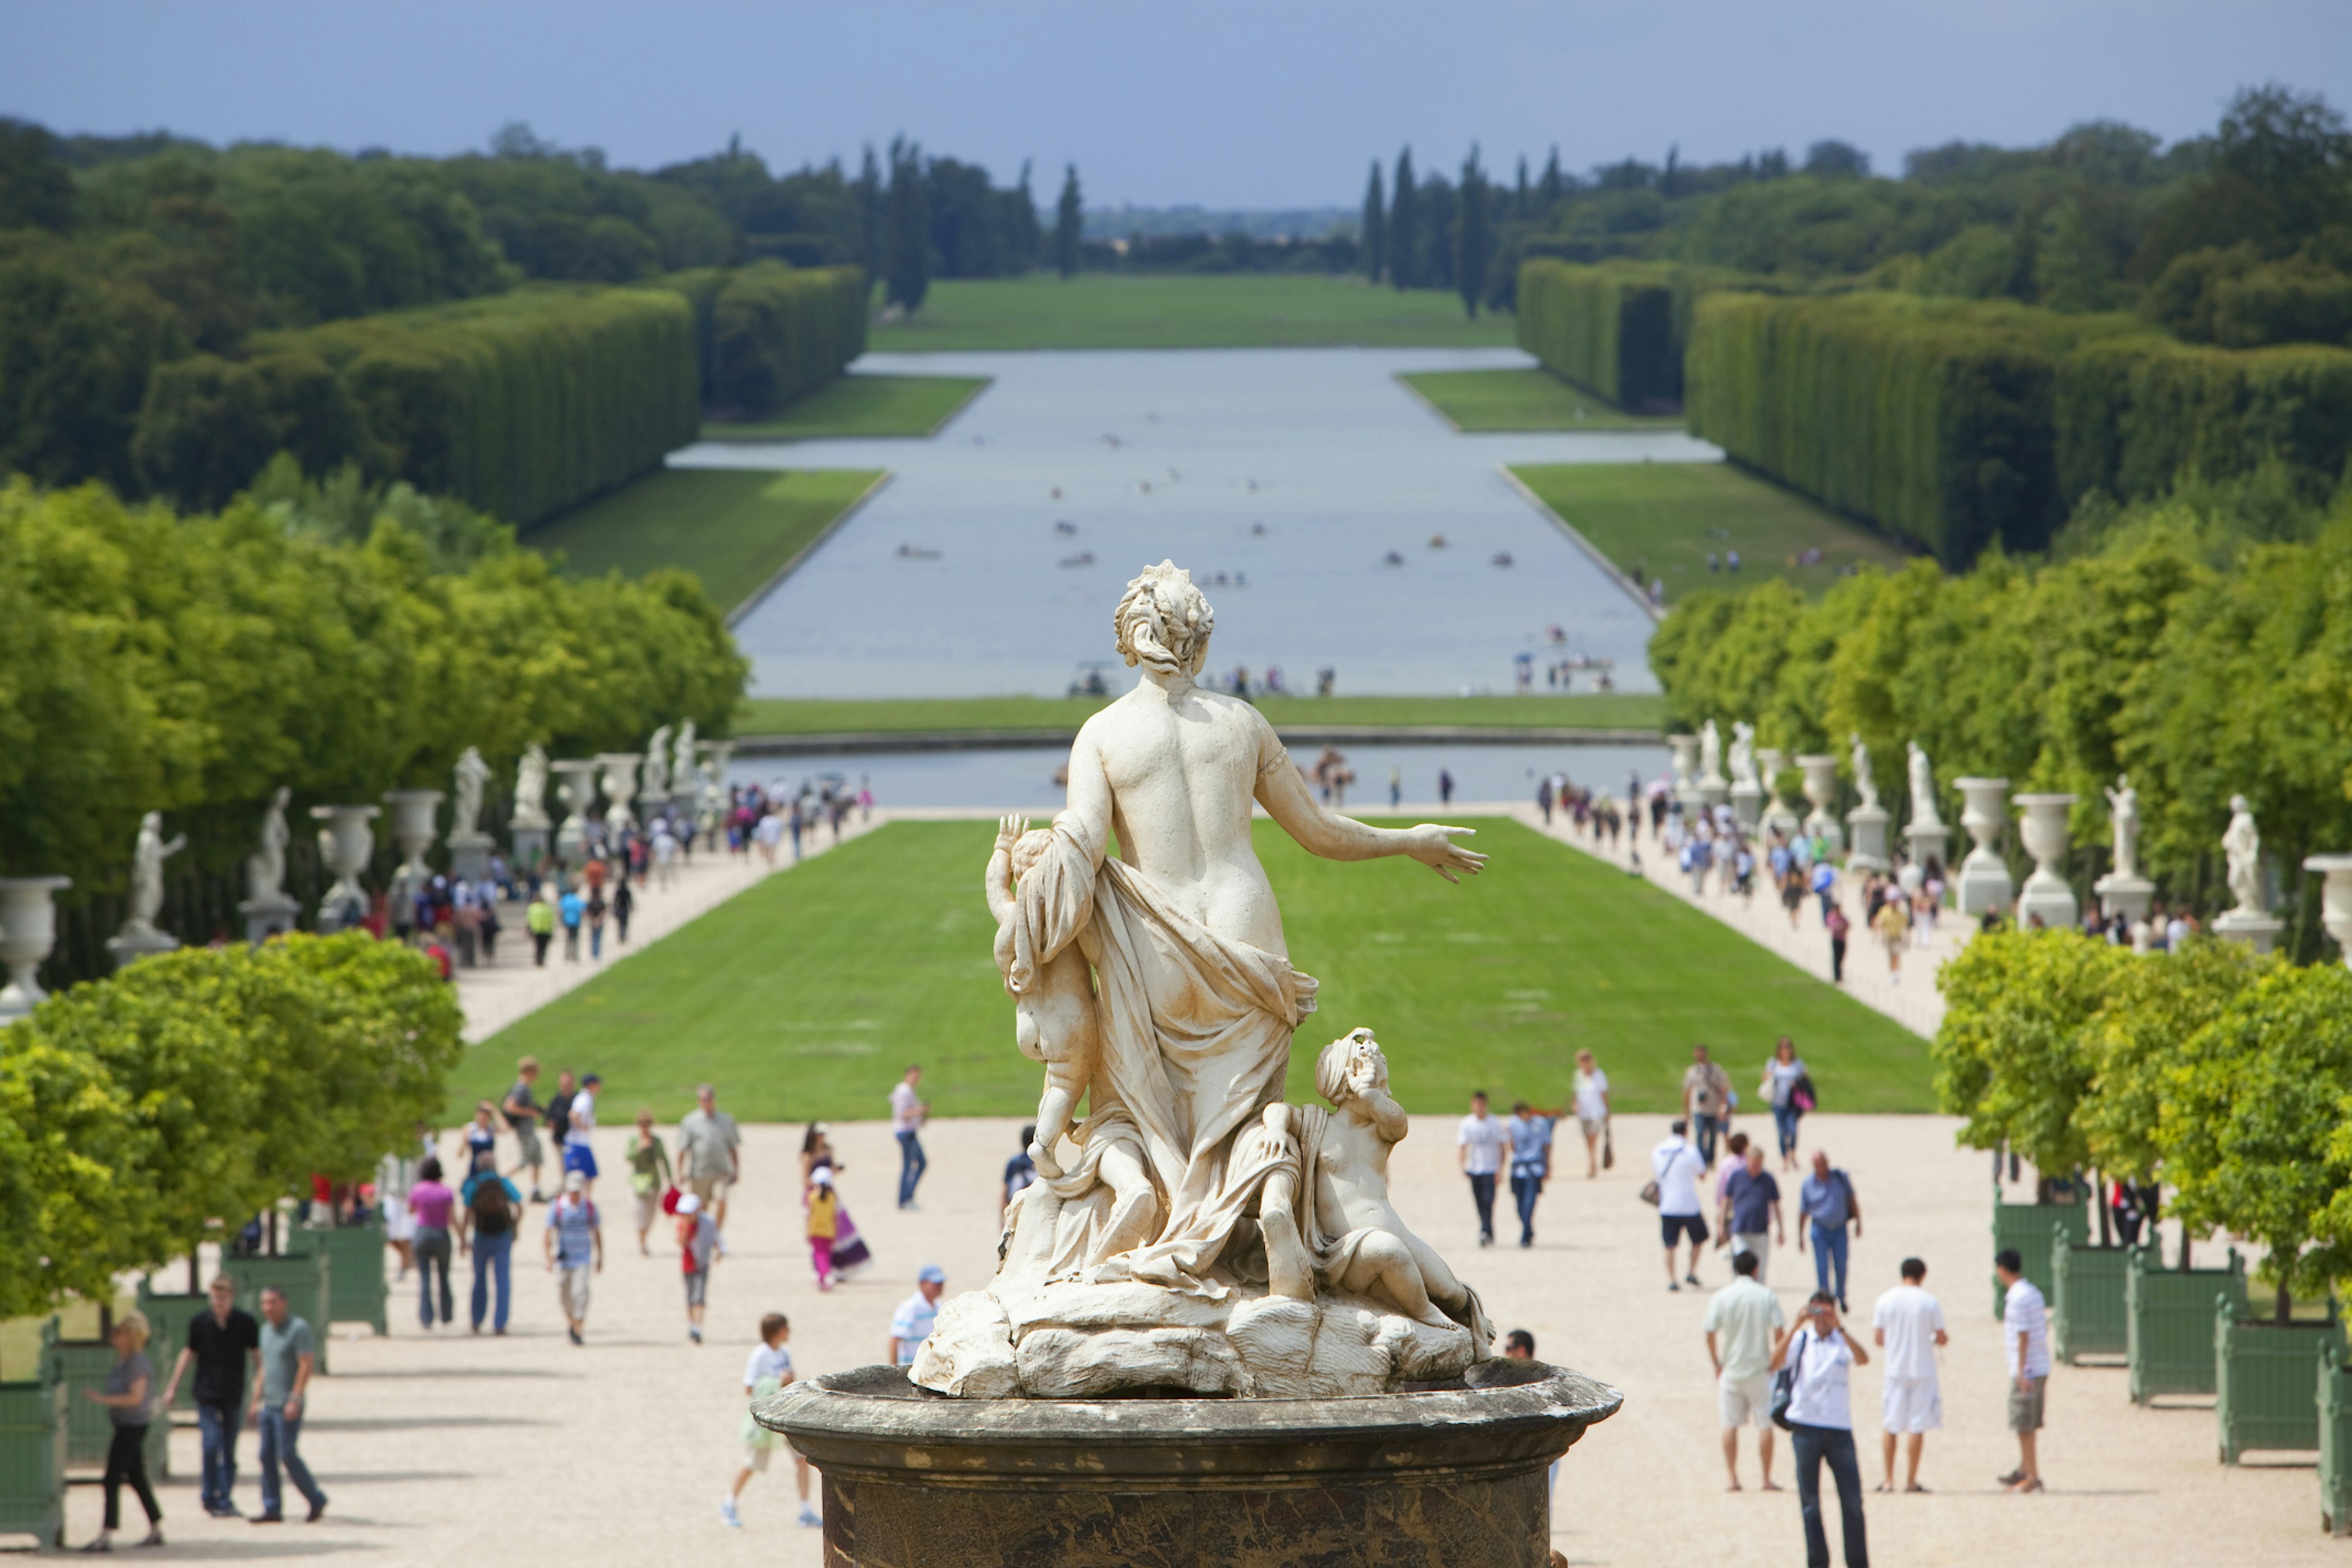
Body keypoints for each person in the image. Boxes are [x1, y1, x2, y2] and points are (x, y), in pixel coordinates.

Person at [1773, 1291, 1870, 1568]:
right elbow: (1774, 1362)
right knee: (1810, 1502)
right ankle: (1817, 1563)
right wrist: (1795, 1326)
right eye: (1817, 1312)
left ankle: (1858, 1563)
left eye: (1825, 1312)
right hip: (1806, 1427)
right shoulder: (1801, 1341)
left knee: (1852, 1502)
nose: (1821, 1319)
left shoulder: (1842, 1341)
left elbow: (1863, 1359)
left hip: (1839, 1428)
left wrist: (1840, 1326)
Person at [159, 1274, 260, 1518]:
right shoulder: (200, 1322)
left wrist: (258, 1394)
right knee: (210, 1443)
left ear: (232, 1298)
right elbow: (188, 1353)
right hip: (206, 1391)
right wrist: (172, 1387)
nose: (218, 1303)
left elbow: (258, 1358)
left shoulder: (245, 1323)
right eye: (215, 1298)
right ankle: (209, 1495)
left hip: (233, 1392)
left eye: (223, 1298)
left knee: (229, 1448)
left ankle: (224, 1497)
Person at [723, 1313, 819, 1530]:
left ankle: (805, 1510)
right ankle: (730, 1503)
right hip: (764, 1419)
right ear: (778, 1331)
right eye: (786, 1328)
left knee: (801, 1459)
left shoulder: (785, 1352)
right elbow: (749, 1387)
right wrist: (776, 1382)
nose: (789, 1332)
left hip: (785, 1415)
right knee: (752, 1463)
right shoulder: (759, 1355)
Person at [80, 1308, 163, 1550]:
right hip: (124, 1424)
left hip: (133, 1426)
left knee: (111, 1477)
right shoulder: (122, 1361)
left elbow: (136, 1398)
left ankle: (106, 1533)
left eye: (120, 1332)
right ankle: (156, 1526)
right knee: (136, 1477)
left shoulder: (138, 1364)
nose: (114, 1335)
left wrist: (102, 1400)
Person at [1703, 1250, 1785, 1493]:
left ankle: (1732, 1478)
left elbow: (1709, 1332)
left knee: (1729, 1424)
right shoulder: (1766, 1295)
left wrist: (1716, 1363)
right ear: (1756, 1268)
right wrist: (1776, 1359)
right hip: (1761, 1369)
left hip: (1731, 1369)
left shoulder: (1722, 1296)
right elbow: (1780, 1331)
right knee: (1765, 1425)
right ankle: (1766, 1478)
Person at [249, 1286, 326, 1524]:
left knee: (287, 1454)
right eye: (264, 1303)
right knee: (265, 1455)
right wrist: (255, 1400)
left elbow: (306, 1364)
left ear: (284, 1302)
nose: (268, 1308)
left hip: (287, 1404)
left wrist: (296, 1397)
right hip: (269, 1404)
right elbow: (264, 1368)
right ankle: (272, 1507)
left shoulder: (298, 1328)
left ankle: (315, 1498)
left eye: (272, 1302)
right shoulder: (264, 1331)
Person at [1872, 1257, 1948, 1493]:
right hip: (1923, 1369)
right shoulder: (1929, 1301)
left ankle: (1887, 1480)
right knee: (1917, 1426)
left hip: (1895, 1369)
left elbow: (1878, 1339)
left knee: (1891, 1424)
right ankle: (1911, 1480)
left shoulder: (1885, 1299)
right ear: (1923, 1275)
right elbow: (1942, 1337)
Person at [1996, 1248, 2049, 1493]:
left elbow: (2023, 1336)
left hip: (2028, 1368)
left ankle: (2032, 1476)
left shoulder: (2017, 1298)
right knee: (2028, 1421)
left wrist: (2021, 1371)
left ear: (2001, 1269)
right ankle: (2024, 1468)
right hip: (2039, 1364)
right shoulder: (2033, 1292)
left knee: (2023, 1424)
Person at [458, 1156, 523, 1335]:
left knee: (479, 1279)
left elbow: (467, 1213)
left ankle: (476, 1320)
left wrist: (463, 1239)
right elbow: (519, 1204)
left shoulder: (473, 1184)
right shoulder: (503, 1183)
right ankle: (500, 1323)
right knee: (502, 1279)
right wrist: (516, 1226)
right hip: (503, 1235)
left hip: (481, 1235)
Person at [1798, 1151, 1864, 1312]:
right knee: (1822, 1267)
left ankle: (1841, 1297)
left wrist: (1859, 1222)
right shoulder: (1808, 1184)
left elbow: (1852, 1200)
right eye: (1818, 1165)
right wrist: (1799, 1236)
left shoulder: (1841, 1178)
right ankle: (1824, 1301)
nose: (1822, 1168)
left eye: (1824, 1164)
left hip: (1840, 1229)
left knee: (1841, 1265)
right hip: (1819, 1229)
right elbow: (1803, 1212)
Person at [545, 1170, 603, 1346]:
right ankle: (572, 1323)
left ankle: (578, 1326)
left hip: (583, 1257)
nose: (575, 1194)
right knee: (564, 1295)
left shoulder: (590, 1208)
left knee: (581, 1293)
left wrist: (600, 1256)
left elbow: (597, 1232)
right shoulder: (558, 1206)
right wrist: (549, 1257)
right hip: (564, 1258)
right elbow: (548, 1233)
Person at [1653, 1118, 1709, 1291]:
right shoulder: (1690, 1151)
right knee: (1698, 1240)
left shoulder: (1658, 1150)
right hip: (1689, 1204)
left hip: (1667, 1205)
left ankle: (1672, 1279)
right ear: (1686, 1132)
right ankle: (1691, 1271)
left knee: (1669, 1246)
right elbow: (1702, 1175)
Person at [678, 1082, 742, 1229]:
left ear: (714, 1099)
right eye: (703, 1099)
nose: (706, 1102)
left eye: (709, 1098)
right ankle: (703, 1236)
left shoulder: (726, 1121)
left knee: (721, 1201)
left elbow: (733, 1148)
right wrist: (680, 1172)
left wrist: (736, 1169)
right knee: (701, 1208)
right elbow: (682, 1149)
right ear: (699, 1101)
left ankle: (716, 1233)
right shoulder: (690, 1122)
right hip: (699, 1172)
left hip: (720, 1171)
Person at [1722, 1142, 1785, 1282]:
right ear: (1747, 1161)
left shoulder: (1768, 1179)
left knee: (1760, 1268)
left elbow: (1776, 1205)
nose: (1757, 1168)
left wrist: (1781, 1230)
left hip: (1761, 1230)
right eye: (1754, 1164)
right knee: (1740, 1266)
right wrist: (1721, 1226)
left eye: (1759, 1164)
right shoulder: (1736, 1177)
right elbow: (1726, 1201)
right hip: (1740, 1230)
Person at [408, 1154, 456, 1329]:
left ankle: (426, 1318)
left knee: (425, 1278)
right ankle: (446, 1315)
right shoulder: (446, 1191)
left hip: (423, 1233)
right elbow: (451, 1219)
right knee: (444, 1276)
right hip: (441, 1234)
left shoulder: (417, 1190)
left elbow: (411, 1210)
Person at [1457, 1090, 1507, 1247]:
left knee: (1489, 1201)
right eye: (1476, 1104)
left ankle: (1484, 1231)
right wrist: (1462, 1165)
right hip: (1474, 1168)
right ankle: (1487, 1230)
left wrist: (1500, 1168)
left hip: (1490, 1169)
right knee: (1479, 1202)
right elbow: (1463, 1146)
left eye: (1481, 1105)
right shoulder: (1467, 1124)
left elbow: (1502, 1147)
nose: (1479, 1107)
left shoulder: (1493, 1123)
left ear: (1485, 1105)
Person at [677, 1193, 725, 1343]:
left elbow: (715, 1236)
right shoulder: (682, 1224)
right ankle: (692, 1325)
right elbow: (682, 1243)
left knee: (699, 1298)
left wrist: (719, 1251)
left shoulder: (707, 1222)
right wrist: (686, 1226)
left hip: (702, 1265)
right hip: (687, 1265)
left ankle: (698, 1328)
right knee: (690, 1298)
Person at [1506, 1099, 1553, 1248]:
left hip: (1534, 1168)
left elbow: (1546, 1146)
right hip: (1518, 1169)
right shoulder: (1513, 1123)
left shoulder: (1540, 1124)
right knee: (1519, 1205)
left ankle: (1525, 1236)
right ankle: (1529, 1229)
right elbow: (1512, 1147)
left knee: (1530, 1202)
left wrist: (1548, 1166)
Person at [627, 1108, 673, 1255]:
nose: (645, 1126)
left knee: (652, 1213)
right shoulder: (634, 1140)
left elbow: (663, 1160)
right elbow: (628, 1157)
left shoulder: (657, 1141)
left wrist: (670, 1178)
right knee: (640, 1212)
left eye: (647, 1123)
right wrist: (639, 1148)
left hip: (654, 1181)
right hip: (638, 1181)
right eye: (642, 1123)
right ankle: (642, 1242)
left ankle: (644, 1236)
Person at [502, 1057, 547, 1201]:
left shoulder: (523, 1088)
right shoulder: (521, 1088)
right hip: (524, 1130)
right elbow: (510, 1106)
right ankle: (499, 1180)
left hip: (529, 1129)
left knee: (537, 1159)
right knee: (523, 1162)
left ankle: (535, 1190)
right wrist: (530, 1112)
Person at [1762, 1037, 1809, 1172]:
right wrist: (1770, 1076)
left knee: (1793, 1130)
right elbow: (1765, 1079)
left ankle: (1793, 1155)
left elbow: (1806, 1080)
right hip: (1778, 1103)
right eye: (1783, 1047)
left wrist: (1797, 1084)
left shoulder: (1798, 1064)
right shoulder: (1773, 1063)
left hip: (1793, 1104)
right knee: (1782, 1132)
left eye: (1788, 1047)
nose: (1786, 1049)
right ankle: (1784, 1159)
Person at [1682, 1043, 1733, 1164]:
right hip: (1698, 1109)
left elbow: (1723, 1089)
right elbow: (1687, 1091)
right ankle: (1701, 1160)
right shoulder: (1692, 1071)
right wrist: (1686, 1109)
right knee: (1700, 1135)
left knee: (1713, 1138)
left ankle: (1710, 1159)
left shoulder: (1716, 1070)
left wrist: (1723, 1107)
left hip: (1714, 1108)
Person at [889, 1266, 947, 1366]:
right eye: (936, 1283)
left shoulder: (940, 1307)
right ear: (923, 1284)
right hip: (910, 1367)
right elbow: (895, 1340)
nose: (940, 1286)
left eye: (941, 1283)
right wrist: (893, 1369)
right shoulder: (910, 1307)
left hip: (930, 1369)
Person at [891, 1064, 929, 1209]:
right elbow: (903, 1113)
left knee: (922, 1163)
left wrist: (920, 1118)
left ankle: (909, 1196)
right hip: (905, 1133)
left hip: (910, 1131)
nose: (916, 1078)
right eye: (914, 1075)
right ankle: (904, 1200)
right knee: (908, 1166)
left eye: (917, 1076)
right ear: (907, 1075)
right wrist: (920, 1111)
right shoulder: (904, 1091)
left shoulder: (908, 1091)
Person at [1571, 1049, 1610, 1178]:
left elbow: (1604, 1093)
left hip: (1597, 1111)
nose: (1585, 1062)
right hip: (1584, 1112)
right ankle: (1592, 1159)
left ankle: (1592, 1164)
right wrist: (1575, 1104)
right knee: (1587, 1138)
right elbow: (1575, 1092)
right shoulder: (1578, 1075)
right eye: (1582, 1060)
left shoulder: (1599, 1075)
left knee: (1594, 1136)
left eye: (1587, 1059)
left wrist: (1607, 1110)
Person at [567, 1072, 601, 1191]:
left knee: (590, 1173)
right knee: (582, 1175)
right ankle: (584, 1200)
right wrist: (583, 1127)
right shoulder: (585, 1099)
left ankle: (585, 1200)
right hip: (578, 1142)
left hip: (581, 1142)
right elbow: (573, 1115)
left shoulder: (584, 1097)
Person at [807, 1167, 841, 1291]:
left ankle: (823, 1275)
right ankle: (824, 1276)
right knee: (826, 1254)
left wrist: (807, 1231)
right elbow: (834, 1217)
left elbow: (810, 1216)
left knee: (818, 1254)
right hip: (829, 1231)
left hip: (815, 1230)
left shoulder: (812, 1197)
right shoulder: (832, 1199)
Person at [1003, 1123, 1039, 1221]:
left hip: (1014, 1206)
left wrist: (1002, 1218)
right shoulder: (1041, 1162)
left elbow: (1006, 1189)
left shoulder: (1014, 1161)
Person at [526, 886, 555, 967]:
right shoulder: (547, 908)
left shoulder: (532, 908)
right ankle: (542, 959)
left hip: (536, 930)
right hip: (545, 930)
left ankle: (538, 960)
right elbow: (551, 920)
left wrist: (528, 929)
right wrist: (551, 929)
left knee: (537, 946)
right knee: (544, 947)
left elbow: (529, 920)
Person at [559, 883, 585, 961]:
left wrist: (561, 921)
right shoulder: (577, 900)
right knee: (575, 939)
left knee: (568, 939)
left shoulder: (565, 900)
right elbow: (582, 911)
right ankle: (575, 955)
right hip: (576, 922)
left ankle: (567, 955)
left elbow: (561, 911)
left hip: (567, 921)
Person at [1826, 902, 1851, 984]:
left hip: (1843, 939)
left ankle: (1840, 974)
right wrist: (1839, 927)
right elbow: (1832, 926)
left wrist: (1843, 927)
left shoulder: (1842, 917)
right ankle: (1837, 976)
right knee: (1836, 958)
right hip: (1836, 939)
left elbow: (1848, 925)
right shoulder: (1832, 916)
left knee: (1841, 957)